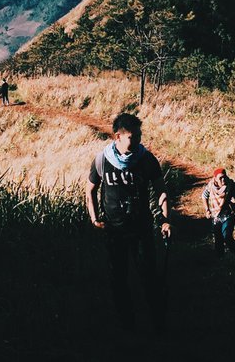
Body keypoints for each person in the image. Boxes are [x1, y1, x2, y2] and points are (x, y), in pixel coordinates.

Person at [85, 113, 171, 329]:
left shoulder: (147, 159)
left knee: (149, 277)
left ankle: (158, 321)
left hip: (141, 228)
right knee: (118, 279)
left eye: (140, 135)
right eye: (133, 137)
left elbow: (161, 191)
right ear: (118, 137)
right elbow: (90, 191)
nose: (139, 140)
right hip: (114, 231)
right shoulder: (102, 160)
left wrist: (165, 221)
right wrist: (95, 219)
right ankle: (128, 325)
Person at [201, 168, 235, 255]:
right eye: (220, 178)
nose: (223, 179)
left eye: (224, 177)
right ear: (215, 179)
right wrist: (207, 209)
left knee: (227, 236)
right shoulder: (211, 187)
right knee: (218, 239)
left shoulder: (231, 186)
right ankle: (221, 261)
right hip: (216, 216)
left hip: (229, 215)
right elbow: (204, 196)